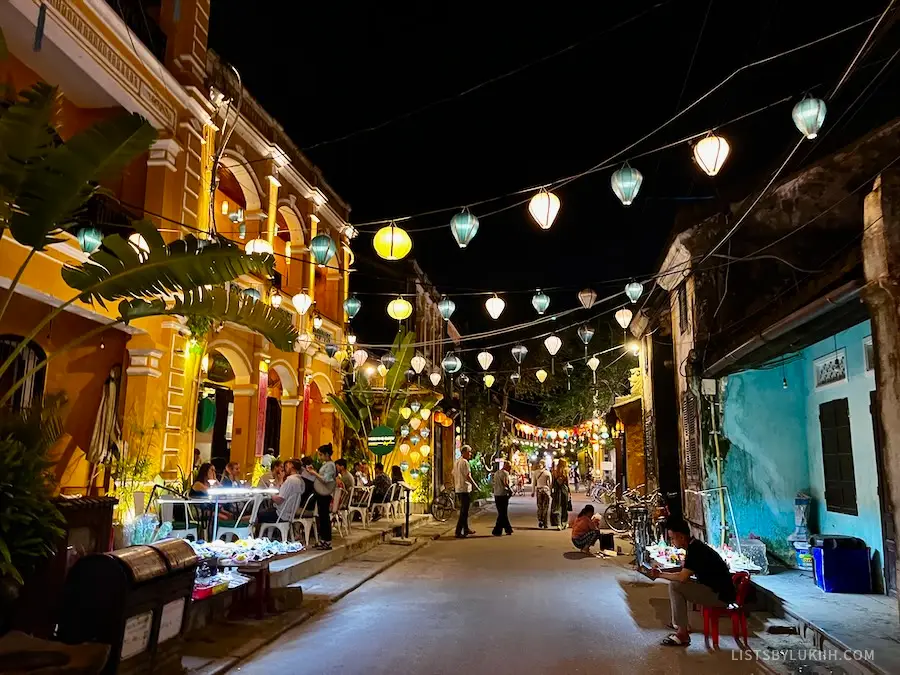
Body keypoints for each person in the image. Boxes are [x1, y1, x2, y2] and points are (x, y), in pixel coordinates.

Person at [649, 517, 736, 647]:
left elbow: (682, 577)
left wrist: (660, 575)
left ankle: (682, 633)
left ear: (681, 537)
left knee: (675, 586)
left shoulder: (695, 550)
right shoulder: (694, 546)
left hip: (720, 596)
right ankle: (682, 626)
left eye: (672, 538)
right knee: (680, 586)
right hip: (716, 590)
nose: (672, 542)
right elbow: (685, 571)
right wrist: (663, 572)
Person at [306, 444, 336, 551]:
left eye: (321, 455)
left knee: (324, 518)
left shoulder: (330, 465)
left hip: (325, 494)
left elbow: (326, 479)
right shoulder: (326, 464)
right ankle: (323, 539)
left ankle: (327, 541)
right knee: (322, 517)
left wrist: (314, 473)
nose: (319, 457)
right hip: (321, 493)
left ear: (327, 454)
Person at [258, 459, 305, 525]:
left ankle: (253, 533)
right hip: (289, 515)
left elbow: (279, 500)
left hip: (280, 515)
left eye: (286, 466)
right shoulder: (300, 480)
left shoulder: (290, 480)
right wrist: (280, 480)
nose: (284, 469)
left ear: (291, 466)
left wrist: (271, 492)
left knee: (257, 515)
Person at [453, 445, 478, 538]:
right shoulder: (465, 462)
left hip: (458, 488)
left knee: (464, 511)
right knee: (464, 512)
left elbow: (453, 474)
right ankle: (458, 531)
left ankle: (466, 529)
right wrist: (475, 486)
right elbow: (468, 476)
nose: (470, 454)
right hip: (464, 488)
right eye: (469, 452)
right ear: (464, 452)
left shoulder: (456, 462)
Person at [491, 460, 513, 536]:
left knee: (502, 513)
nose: (510, 468)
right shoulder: (505, 473)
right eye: (509, 467)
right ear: (506, 466)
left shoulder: (497, 473)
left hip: (496, 494)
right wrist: (510, 490)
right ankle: (498, 529)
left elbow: (494, 483)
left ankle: (504, 529)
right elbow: (505, 483)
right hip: (503, 494)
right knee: (502, 513)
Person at [550, 459, 571, 530]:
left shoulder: (555, 472)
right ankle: (564, 522)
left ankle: (558, 524)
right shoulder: (566, 471)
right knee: (564, 506)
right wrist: (569, 492)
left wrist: (552, 491)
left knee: (557, 507)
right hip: (564, 489)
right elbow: (567, 482)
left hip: (557, 490)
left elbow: (552, 482)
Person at [532, 462, 552, 528]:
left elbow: (534, 483)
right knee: (546, 507)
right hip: (546, 490)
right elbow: (550, 483)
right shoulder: (547, 473)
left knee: (540, 506)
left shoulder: (535, 472)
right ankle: (545, 522)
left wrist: (533, 492)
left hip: (539, 490)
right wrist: (551, 492)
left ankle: (540, 520)